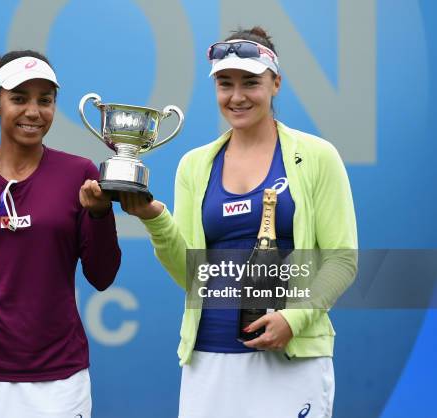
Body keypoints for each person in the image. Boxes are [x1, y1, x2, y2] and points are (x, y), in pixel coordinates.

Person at [121, 27, 357, 418]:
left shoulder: (317, 156)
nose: (237, 96)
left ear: (275, 83)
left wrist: (293, 319)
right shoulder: (194, 166)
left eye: (251, 82)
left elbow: (342, 260)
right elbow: (190, 275)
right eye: (225, 84)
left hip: (292, 358)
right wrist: (155, 219)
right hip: (209, 356)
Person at [0, 49, 121, 418]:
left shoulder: (80, 174)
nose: (34, 111)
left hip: (60, 382)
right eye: (19, 98)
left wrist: (100, 214)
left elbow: (102, 275)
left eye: (45, 100)